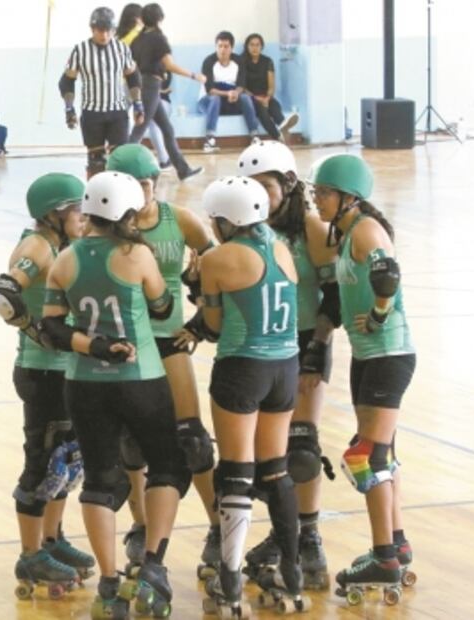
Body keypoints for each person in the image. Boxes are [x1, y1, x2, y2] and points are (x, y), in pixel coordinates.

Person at [40, 172, 190, 619]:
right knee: (167, 466)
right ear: (127, 214)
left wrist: (96, 345)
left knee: (102, 481)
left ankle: (108, 583)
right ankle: (152, 568)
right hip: (141, 378)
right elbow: (162, 307)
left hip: (85, 384)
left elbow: (51, 328)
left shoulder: (65, 259)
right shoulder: (137, 254)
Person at [185, 176, 306, 617]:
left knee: (235, 472)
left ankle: (230, 580)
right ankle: (292, 573)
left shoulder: (219, 258)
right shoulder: (281, 247)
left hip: (242, 369)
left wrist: (196, 281)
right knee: (276, 469)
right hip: (285, 368)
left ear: (223, 219)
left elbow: (213, 328)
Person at [104, 144, 219, 578]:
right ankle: (141, 526)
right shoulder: (110, 227)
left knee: (192, 440)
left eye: (149, 182)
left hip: (170, 338)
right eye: (136, 184)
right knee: (132, 444)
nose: (145, 191)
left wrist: (203, 315)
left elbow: (215, 264)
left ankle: (218, 526)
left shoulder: (180, 220)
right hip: (127, 345)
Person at [310, 154, 417, 600]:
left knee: (364, 457)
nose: (317, 201)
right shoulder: (347, 234)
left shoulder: (367, 231)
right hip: (368, 356)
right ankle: (397, 542)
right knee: (381, 453)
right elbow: (339, 296)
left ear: (348, 196)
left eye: (324, 194)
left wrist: (375, 316)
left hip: (388, 352)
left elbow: (387, 276)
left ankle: (384, 558)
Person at [237, 141, 340, 591]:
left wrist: (318, 344)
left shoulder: (312, 231)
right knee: (265, 458)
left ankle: (309, 537)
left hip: (303, 342)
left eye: (266, 186)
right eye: (251, 187)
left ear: (290, 184)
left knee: (300, 449)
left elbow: (333, 294)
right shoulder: (242, 228)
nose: (258, 194)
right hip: (259, 347)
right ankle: (284, 536)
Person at [0, 173, 95, 599]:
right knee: (43, 464)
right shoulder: (37, 245)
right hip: (41, 371)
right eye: (76, 210)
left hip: (62, 368)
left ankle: (52, 540)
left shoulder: (60, 243)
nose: (84, 218)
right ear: (54, 214)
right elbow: (4, 294)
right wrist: (37, 331)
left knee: (66, 462)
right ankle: (30, 552)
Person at [59, 8, 144, 178]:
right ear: (92, 29)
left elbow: (133, 77)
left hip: (118, 111)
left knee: (120, 160)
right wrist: (69, 109)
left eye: (108, 31)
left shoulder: (122, 49)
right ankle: (96, 199)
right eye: (100, 30)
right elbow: (67, 81)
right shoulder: (80, 50)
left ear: (113, 30)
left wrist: (137, 104)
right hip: (92, 113)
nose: (104, 35)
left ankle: (120, 200)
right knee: (95, 161)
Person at [128, 3, 204, 180]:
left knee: (167, 129)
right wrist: (194, 75)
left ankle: (183, 170)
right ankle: (121, 169)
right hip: (151, 87)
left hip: (143, 85)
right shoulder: (158, 38)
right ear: (160, 19)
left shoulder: (138, 39)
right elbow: (169, 65)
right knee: (139, 131)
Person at [197, 31, 261, 153]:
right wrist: (228, 94)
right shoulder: (209, 62)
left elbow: (241, 84)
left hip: (229, 101)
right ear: (216, 47)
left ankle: (254, 136)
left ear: (231, 48)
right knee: (215, 99)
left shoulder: (238, 61)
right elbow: (210, 90)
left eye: (226, 46)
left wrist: (236, 93)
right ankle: (209, 139)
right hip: (208, 102)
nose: (222, 50)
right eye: (219, 46)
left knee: (245, 98)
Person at [241, 34, 299, 142]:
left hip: (265, 96)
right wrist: (258, 99)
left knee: (275, 105)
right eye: (252, 45)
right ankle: (277, 136)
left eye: (257, 45)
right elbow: (242, 87)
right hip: (250, 98)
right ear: (247, 46)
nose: (254, 48)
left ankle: (283, 125)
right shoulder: (242, 62)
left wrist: (267, 98)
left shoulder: (267, 61)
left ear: (261, 47)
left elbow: (271, 86)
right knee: (262, 110)